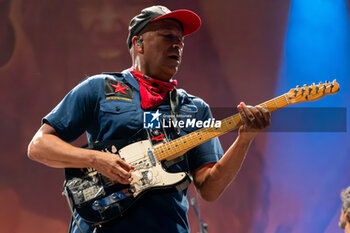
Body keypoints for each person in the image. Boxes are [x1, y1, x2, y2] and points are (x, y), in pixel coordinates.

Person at [27, 5, 271, 233]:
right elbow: (39, 146)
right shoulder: (98, 88)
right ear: (139, 43)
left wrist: (244, 140)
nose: (177, 45)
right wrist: (97, 158)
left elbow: (209, 188)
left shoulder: (195, 109)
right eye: (168, 37)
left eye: (181, 40)